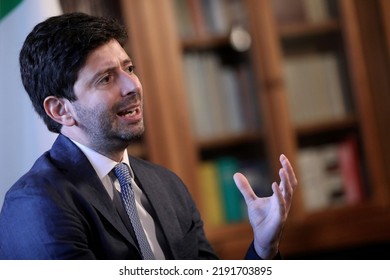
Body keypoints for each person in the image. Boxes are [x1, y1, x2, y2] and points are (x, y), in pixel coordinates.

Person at [0, 12, 297, 260]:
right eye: (106, 78)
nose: (133, 86)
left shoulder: (167, 185)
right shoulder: (35, 204)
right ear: (60, 110)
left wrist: (263, 248)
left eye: (129, 68)